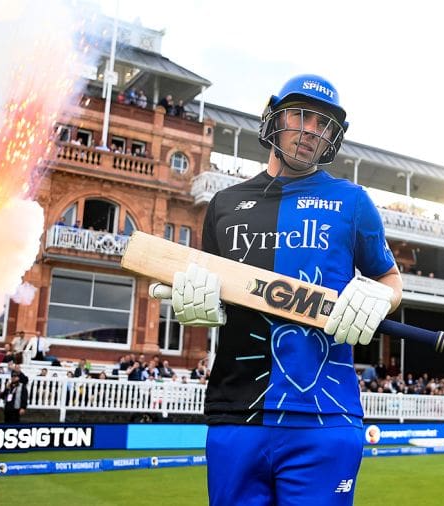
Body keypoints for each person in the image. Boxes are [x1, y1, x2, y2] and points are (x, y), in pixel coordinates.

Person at [151, 74, 402, 505]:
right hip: (237, 413)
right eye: (300, 115)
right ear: (275, 118)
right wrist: (198, 305)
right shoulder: (224, 204)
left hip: (325, 418)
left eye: (323, 124)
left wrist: (382, 297)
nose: (310, 130)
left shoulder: (352, 201)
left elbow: (390, 280)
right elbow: (213, 288)